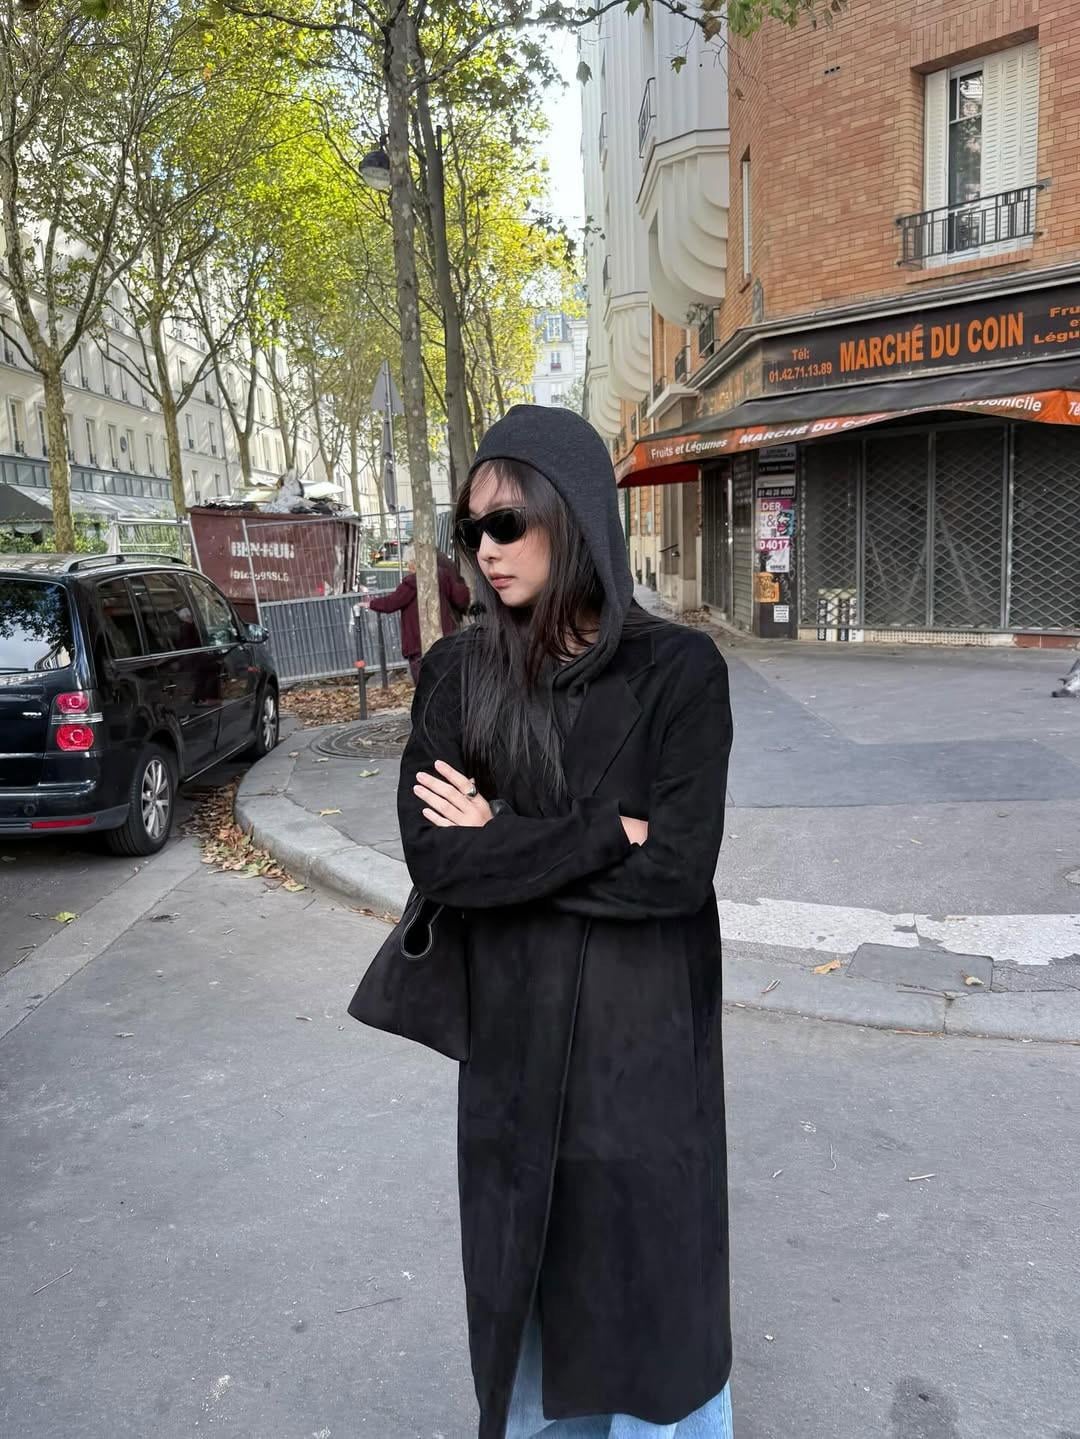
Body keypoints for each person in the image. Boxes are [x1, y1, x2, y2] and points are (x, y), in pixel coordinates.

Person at [398, 405, 734, 1439]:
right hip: (515, 1050)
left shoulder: (681, 672)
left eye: (507, 523)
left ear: (574, 512)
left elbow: (674, 872)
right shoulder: (459, 674)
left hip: (644, 1057)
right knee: (531, 1317)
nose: (485, 550)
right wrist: (598, 835)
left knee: (654, 1328)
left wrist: (505, 838)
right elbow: (437, 857)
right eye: (471, 530)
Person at [368, 544, 470, 684]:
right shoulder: (442, 575)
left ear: (415, 563)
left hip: (418, 643)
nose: (407, 567)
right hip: (445, 637)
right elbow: (460, 597)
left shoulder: (410, 583)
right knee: (447, 680)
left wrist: (371, 603)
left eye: (408, 563)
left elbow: (391, 603)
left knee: (424, 683)